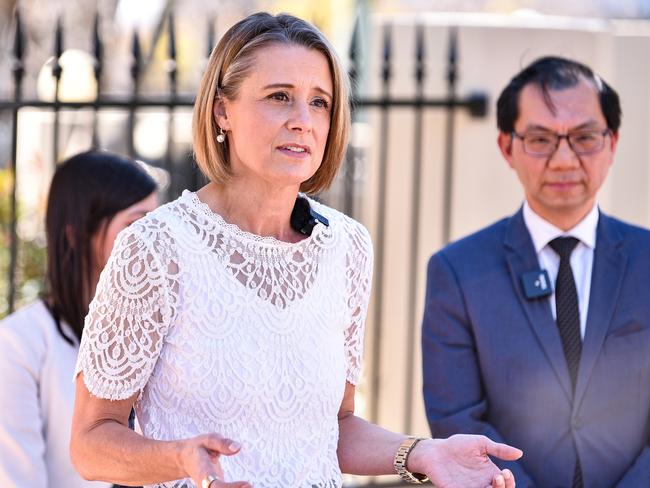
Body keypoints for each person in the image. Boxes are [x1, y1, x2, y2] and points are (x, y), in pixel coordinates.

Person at [70, 12, 522, 488]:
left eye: (320, 102)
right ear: (222, 110)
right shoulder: (156, 248)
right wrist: (180, 459)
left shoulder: (348, 248)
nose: (303, 121)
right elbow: (91, 441)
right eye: (279, 97)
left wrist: (424, 453)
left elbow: (336, 428)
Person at [422, 56, 650, 488]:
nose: (564, 160)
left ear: (613, 142)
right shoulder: (457, 272)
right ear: (507, 147)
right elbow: (456, 418)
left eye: (584, 137)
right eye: (541, 139)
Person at [0, 150, 158, 488]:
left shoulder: (160, 333)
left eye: (156, 226)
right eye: (136, 225)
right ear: (76, 233)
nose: (152, 242)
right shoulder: (17, 344)